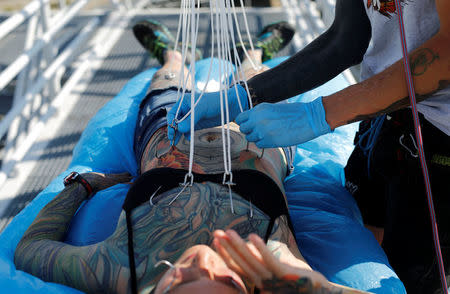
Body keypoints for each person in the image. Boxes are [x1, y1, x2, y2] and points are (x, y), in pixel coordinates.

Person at [13, 20, 367, 294]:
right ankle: (256, 52)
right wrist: (314, 287)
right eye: (228, 281)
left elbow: (30, 250)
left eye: (177, 279)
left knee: (167, 81)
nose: (204, 259)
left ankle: (172, 53)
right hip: (258, 132)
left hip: (167, 131)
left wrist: (84, 186)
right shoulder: (274, 265)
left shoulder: (118, 268)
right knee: (255, 78)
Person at [169, 1, 450, 293]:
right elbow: (346, 39)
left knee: (416, 274)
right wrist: (243, 95)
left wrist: (319, 115)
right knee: (373, 240)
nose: (198, 264)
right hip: (382, 116)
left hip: (438, 139)